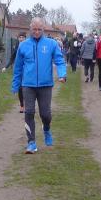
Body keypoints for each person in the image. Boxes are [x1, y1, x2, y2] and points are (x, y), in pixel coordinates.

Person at [11, 17, 67, 153]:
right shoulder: (23, 45)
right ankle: (31, 142)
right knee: (29, 112)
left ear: (43, 29)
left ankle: (46, 129)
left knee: (45, 114)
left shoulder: (51, 44)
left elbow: (59, 60)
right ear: (30, 29)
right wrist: (15, 84)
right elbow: (18, 67)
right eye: (34, 29)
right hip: (28, 85)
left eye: (39, 29)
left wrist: (62, 74)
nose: (36, 32)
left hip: (45, 85)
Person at [3, 32, 27, 112]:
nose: (21, 39)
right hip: (19, 71)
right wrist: (6, 67)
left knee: (27, 88)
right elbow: (11, 58)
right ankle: (22, 105)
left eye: (23, 37)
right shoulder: (16, 48)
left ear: (25, 38)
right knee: (20, 88)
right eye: (20, 37)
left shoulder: (29, 47)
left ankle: (27, 104)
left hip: (28, 71)